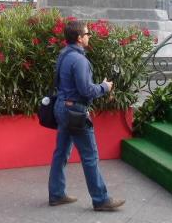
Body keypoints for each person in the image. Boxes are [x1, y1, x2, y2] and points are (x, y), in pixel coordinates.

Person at [48, 20, 125, 211]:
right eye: (87, 34)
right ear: (79, 38)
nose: (89, 36)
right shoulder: (80, 60)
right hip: (75, 111)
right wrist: (104, 87)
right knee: (90, 156)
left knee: (61, 153)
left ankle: (57, 194)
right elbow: (86, 90)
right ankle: (101, 199)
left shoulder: (63, 55)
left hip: (62, 107)